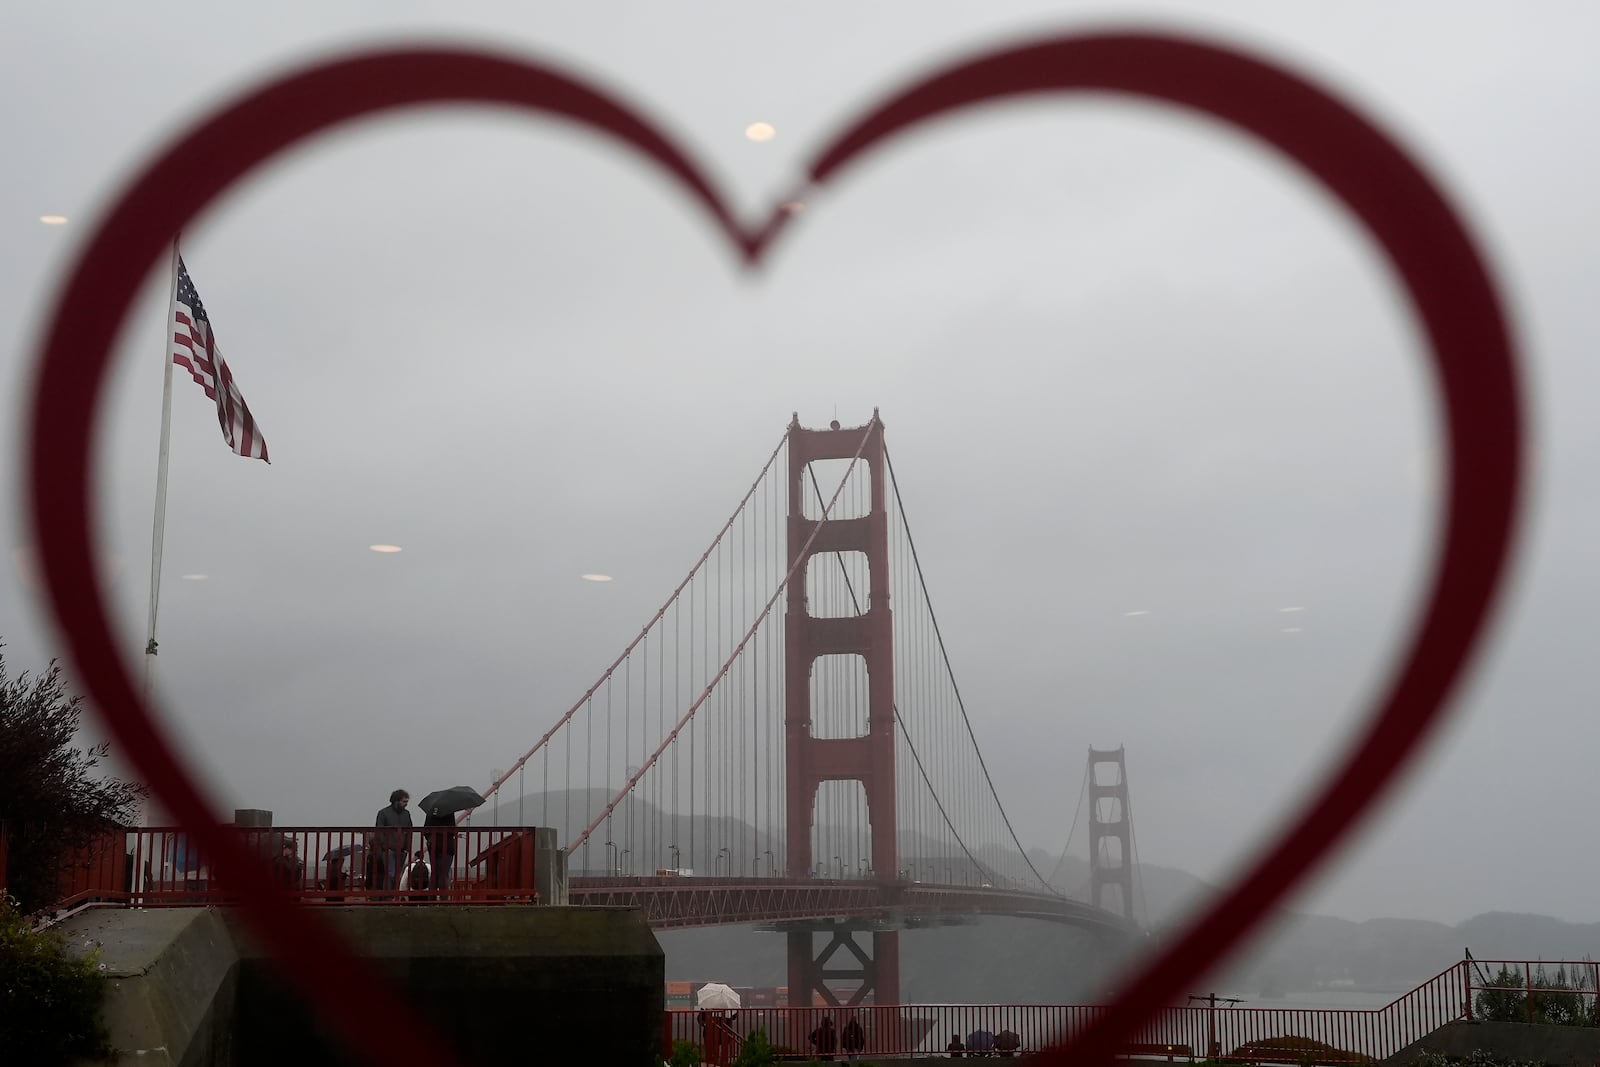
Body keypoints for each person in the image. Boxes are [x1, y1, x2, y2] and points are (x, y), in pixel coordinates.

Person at [374, 789, 413, 895]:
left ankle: (392, 895)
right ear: (396, 801)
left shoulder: (406, 814)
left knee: (397, 874)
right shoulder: (383, 813)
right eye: (404, 801)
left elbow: (409, 830)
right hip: (388, 849)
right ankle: (388, 896)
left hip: (401, 849)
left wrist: (407, 847)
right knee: (391, 874)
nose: (406, 804)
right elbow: (379, 831)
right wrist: (384, 846)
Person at [423, 806, 457, 895]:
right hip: (447, 846)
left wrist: (430, 839)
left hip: (433, 845)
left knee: (435, 873)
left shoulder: (430, 811)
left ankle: (432, 899)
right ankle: (443, 899)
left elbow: (426, 829)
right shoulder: (449, 811)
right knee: (444, 873)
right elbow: (452, 830)